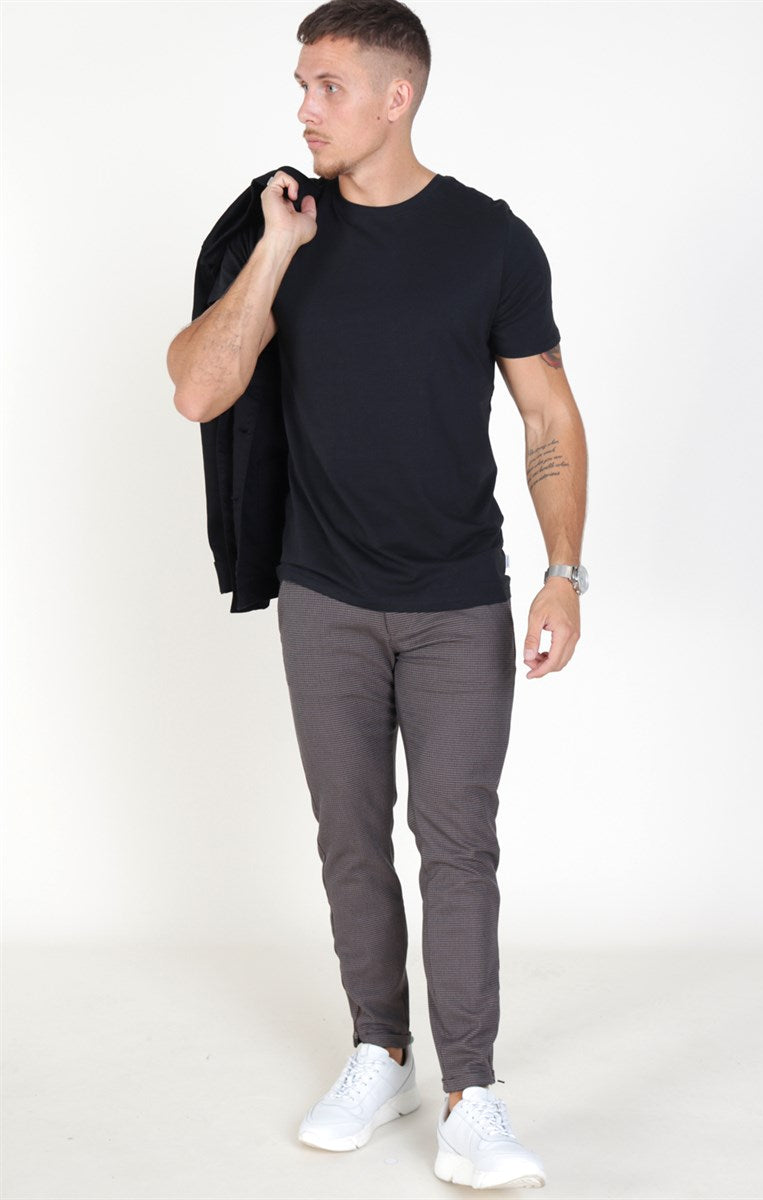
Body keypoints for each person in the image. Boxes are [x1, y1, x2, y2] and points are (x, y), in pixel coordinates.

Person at [168, 0, 588, 1189]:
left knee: (455, 846)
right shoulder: (274, 226)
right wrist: (272, 253)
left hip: (457, 600)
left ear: (395, 98)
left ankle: (471, 1097)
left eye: (328, 86)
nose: (304, 108)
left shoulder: (490, 241)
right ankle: (379, 1051)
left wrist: (561, 573)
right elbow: (198, 389)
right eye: (300, 85)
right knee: (350, 838)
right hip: (324, 596)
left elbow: (547, 413)